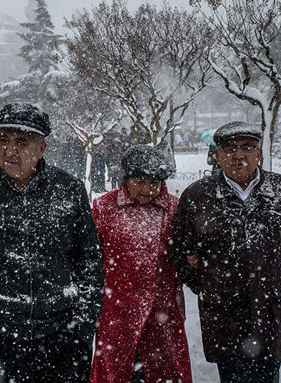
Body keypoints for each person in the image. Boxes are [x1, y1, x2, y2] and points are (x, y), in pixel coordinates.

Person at [0, 102, 104, 382]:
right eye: (4, 139)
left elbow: (89, 263)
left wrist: (82, 328)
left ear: (41, 149)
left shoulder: (69, 191)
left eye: (22, 142)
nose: (9, 150)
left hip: (60, 340)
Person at [169, 121, 281, 383]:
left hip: (271, 308)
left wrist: (271, 275)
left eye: (247, 147)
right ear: (218, 155)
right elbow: (181, 252)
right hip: (224, 312)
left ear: (260, 153)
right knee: (232, 375)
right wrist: (211, 284)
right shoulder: (198, 196)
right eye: (229, 149)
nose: (239, 155)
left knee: (269, 375)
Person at [91, 145, 193, 383]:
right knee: (117, 372)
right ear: (126, 179)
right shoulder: (104, 207)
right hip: (118, 312)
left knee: (164, 372)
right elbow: (91, 258)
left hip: (163, 311)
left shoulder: (175, 208)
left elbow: (186, 253)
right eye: (140, 181)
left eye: (154, 183)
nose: (148, 190)